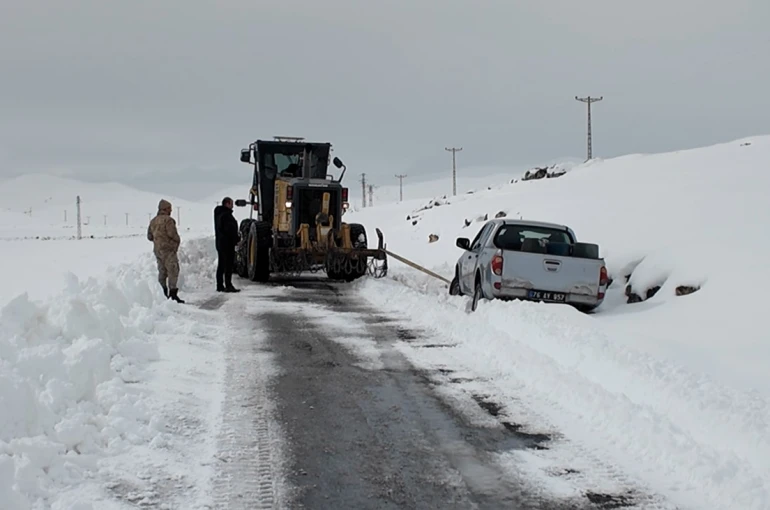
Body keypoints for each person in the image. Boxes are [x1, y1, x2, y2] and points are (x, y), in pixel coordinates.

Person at [147, 199, 184, 303]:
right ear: (165, 209)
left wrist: (158, 239)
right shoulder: (168, 220)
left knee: (162, 272)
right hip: (168, 250)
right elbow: (173, 235)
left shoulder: (153, 221)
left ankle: (162, 294)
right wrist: (175, 243)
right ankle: (173, 294)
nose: (171, 210)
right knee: (173, 271)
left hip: (158, 250)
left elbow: (149, 236)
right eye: (169, 208)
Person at [214, 197, 240, 292]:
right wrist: (236, 239)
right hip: (227, 244)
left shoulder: (219, 214)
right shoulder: (226, 216)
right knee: (228, 265)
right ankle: (228, 285)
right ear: (227, 204)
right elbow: (230, 230)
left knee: (221, 265)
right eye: (231, 203)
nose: (233, 205)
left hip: (221, 243)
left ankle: (220, 285)